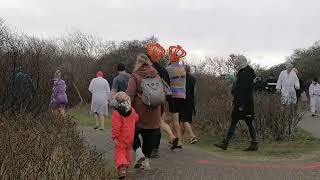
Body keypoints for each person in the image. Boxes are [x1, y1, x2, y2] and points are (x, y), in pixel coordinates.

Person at [126, 53, 162, 170]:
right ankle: (146, 161)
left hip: (138, 112)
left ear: (138, 63)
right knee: (149, 137)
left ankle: (138, 152)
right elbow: (162, 94)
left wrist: (126, 109)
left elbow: (130, 95)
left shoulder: (135, 76)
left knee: (132, 133)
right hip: (154, 112)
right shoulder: (156, 75)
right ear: (148, 62)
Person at [215, 55, 258, 151]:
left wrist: (241, 105)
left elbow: (243, 90)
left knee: (241, 122)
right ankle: (253, 143)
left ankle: (226, 143)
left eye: (237, 61)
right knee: (243, 122)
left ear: (241, 62)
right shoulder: (245, 72)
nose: (236, 63)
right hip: (245, 103)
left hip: (243, 104)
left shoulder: (244, 73)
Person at [146, 43, 179, 158]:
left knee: (154, 123)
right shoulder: (163, 70)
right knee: (160, 122)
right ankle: (167, 139)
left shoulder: (149, 69)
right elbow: (168, 86)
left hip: (151, 98)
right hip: (163, 98)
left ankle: (152, 148)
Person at [111, 92, 139, 179]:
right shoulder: (132, 110)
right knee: (127, 151)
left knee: (120, 152)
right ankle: (126, 166)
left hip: (121, 137)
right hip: (130, 137)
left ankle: (122, 168)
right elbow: (137, 118)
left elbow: (116, 126)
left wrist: (115, 136)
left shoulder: (117, 113)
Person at [166, 45, 187, 148]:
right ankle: (173, 139)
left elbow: (166, 82)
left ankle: (179, 141)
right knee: (176, 119)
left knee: (175, 119)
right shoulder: (182, 69)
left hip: (173, 95)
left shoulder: (169, 69)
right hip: (182, 95)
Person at [179, 65, 198, 144]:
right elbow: (194, 91)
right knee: (182, 122)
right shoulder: (193, 79)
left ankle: (192, 136)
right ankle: (178, 141)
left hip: (184, 102)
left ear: (186, 70)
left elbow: (185, 91)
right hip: (191, 102)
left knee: (185, 120)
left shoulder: (183, 79)